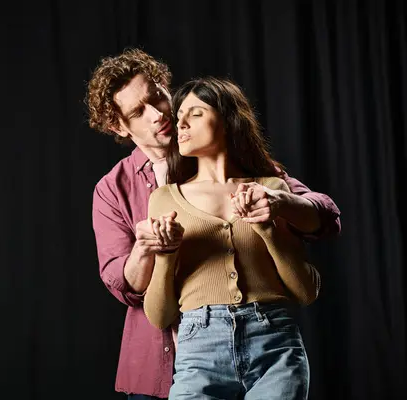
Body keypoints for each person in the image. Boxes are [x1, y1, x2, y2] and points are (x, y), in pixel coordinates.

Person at [86, 48, 341, 399]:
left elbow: (324, 215)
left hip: (266, 342)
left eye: (157, 97)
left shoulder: (230, 159)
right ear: (118, 126)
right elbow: (123, 285)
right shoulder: (113, 190)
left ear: (165, 86)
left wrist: (280, 203)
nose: (158, 114)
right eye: (137, 112)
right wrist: (148, 249)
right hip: (159, 363)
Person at [144, 77, 323, 399]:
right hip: (199, 348)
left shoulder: (271, 188)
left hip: (275, 345)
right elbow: (159, 316)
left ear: (228, 119)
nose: (180, 123)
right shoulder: (164, 199)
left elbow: (306, 291)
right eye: (179, 114)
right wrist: (166, 254)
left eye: (195, 113)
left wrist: (267, 230)